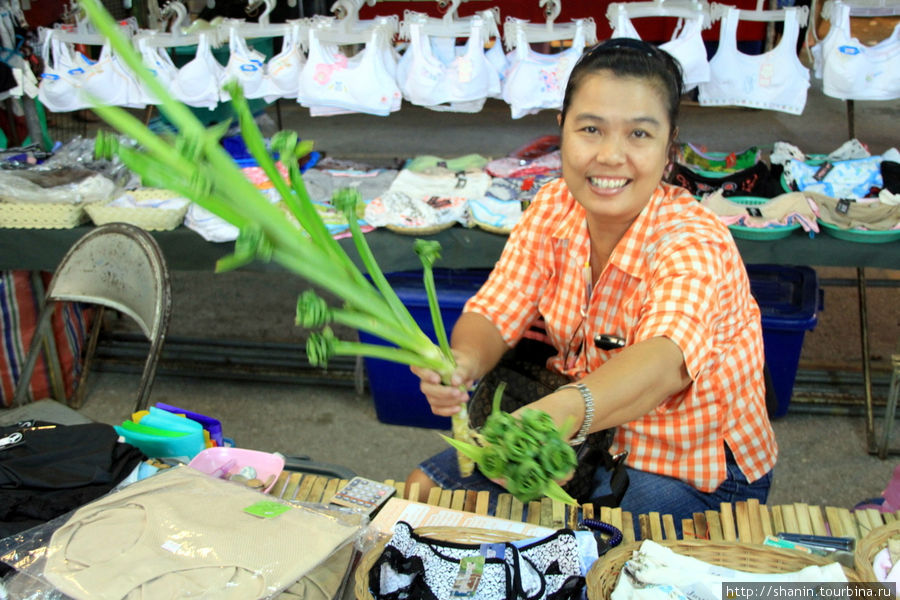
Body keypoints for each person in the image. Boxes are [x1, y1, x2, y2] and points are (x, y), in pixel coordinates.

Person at [406, 38, 777, 525]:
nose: (610, 156)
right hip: (583, 438)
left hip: (693, 469)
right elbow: (498, 305)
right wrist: (463, 363)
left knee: (579, 551)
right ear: (562, 131)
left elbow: (665, 360)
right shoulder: (554, 204)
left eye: (639, 135)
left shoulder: (693, 240)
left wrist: (562, 413)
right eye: (590, 129)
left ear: (670, 148)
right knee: (422, 492)